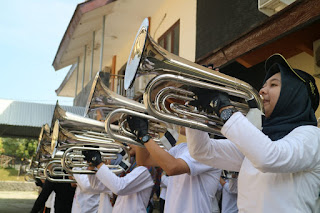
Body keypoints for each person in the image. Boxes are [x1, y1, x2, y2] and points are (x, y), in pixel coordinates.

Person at [186, 53, 320, 212]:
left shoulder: (312, 135)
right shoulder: (260, 139)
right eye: (264, 84)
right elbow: (202, 151)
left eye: (274, 85)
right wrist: (195, 107)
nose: (262, 90)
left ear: (294, 94)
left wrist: (224, 107)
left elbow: (269, 158)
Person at [127, 119, 222, 213]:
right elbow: (144, 161)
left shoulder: (210, 149)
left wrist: (144, 135)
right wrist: (139, 136)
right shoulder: (181, 147)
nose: (182, 118)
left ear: (205, 122)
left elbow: (172, 168)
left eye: (188, 115)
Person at [84, 145, 154, 213]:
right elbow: (97, 186)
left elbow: (120, 187)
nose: (128, 144)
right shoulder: (128, 165)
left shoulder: (145, 170)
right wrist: (92, 165)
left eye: (132, 142)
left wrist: (99, 163)